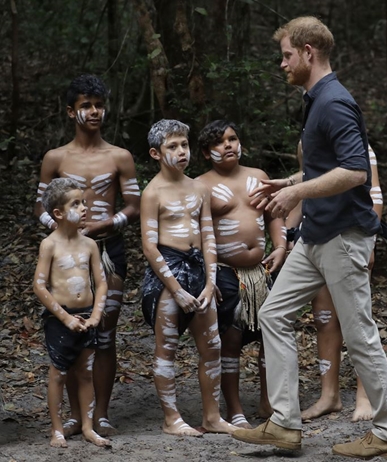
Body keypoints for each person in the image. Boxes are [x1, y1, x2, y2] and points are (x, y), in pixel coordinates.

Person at [231, 16, 387, 459]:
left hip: (344, 237)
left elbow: (356, 171)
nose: (282, 63)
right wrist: (288, 180)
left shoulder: (335, 102)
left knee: (359, 332)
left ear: (309, 51)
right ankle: (285, 425)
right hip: (316, 236)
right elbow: (326, 167)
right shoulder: (315, 100)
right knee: (273, 314)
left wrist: (296, 192)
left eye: (287, 54)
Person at [34, 74, 140, 436]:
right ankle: (78, 416)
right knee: (72, 334)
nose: (94, 112)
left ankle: (102, 414)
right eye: (86, 106)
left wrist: (102, 226)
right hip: (66, 256)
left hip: (107, 251)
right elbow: (40, 206)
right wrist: (63, 232)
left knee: (102, 333)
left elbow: (134, 205)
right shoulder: (55, 158)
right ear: (70, 112)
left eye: (98, 105)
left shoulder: (120, 156)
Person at [140, 119, 235, 436]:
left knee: (212, 346)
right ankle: (172, 419)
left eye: (184, 145)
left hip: (199, 270)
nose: (181, 152)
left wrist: (211, 281)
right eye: (172, 146)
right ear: (156, 153)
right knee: (166, 346)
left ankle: (212, 416)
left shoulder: (199, 188)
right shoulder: (152, 192)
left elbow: (209, 237)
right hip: (169, 270)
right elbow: (150, 246)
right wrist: (176, 289)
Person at [195, 120, 288, 428]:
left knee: (269, 335)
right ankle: (234, 408)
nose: (229, 145)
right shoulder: (200, 185)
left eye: (233, 138)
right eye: (220, 142)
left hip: (262, 269)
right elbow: (195, 235)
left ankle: (268, 400)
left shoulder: (258, 176)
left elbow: (274, 213)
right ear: (208, 153)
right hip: (225, 271)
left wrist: (280, 246)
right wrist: (207, 276)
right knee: (231, 339)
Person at [291, 142, 383, 422]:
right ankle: (329, 396)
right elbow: (306, 185)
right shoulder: (306, 141)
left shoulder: (357, 143)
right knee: (324, 318)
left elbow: (375, 195)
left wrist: (369, 243)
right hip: (317, 235)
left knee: (356, 317)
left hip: (352, 237)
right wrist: (288, 237)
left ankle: (365, 395)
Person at [33, 178, 111, 448]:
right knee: (59, 373)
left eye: (84, 202)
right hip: (60, 318)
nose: (84, 207)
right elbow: (39, 285)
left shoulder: (89, 244)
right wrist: (65, 317)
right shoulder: (50, 245)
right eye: (76, 203)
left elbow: (101, 283)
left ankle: (88, 426)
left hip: (87, 315)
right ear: (59, 213)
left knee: (86, 372)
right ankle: (57, 429)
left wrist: (96, 316)